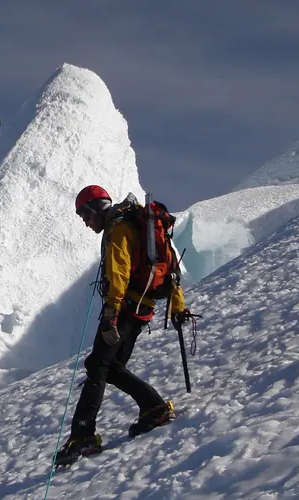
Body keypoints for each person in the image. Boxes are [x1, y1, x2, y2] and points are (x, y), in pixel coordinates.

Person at [56, 185, 188, 465]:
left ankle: (83, 435)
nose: (86, 223)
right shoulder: (138, 223)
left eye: (85, 216)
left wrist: (110, 315)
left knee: (98, 366)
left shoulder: (117, 229)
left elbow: (119, 272)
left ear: (94, 210)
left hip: (124, 309)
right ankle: (154, 408)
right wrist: (178, 305)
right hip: (143, 308)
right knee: (112, 368)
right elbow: (172, 269)